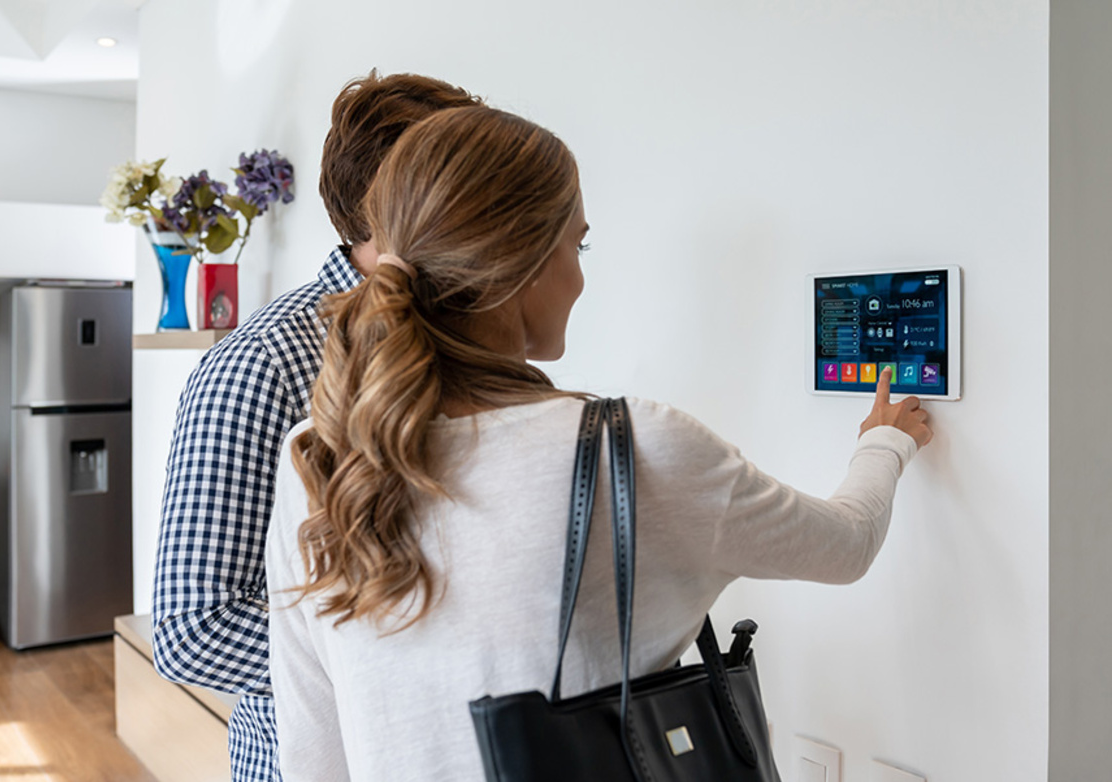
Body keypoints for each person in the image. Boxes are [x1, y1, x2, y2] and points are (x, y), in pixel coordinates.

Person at [264, 105, 934, 782]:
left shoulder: (320, 457)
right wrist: (884, 445)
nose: (580, 277)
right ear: (524, 262)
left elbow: (313, 745)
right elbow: (845, 546)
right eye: (576, 246)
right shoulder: (630, 448)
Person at [151, 72, 482, 782]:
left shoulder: (466, 342)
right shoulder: (261, 366)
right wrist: (415, 657)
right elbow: (192, 630)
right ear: (403, 200)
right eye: (468, 178)